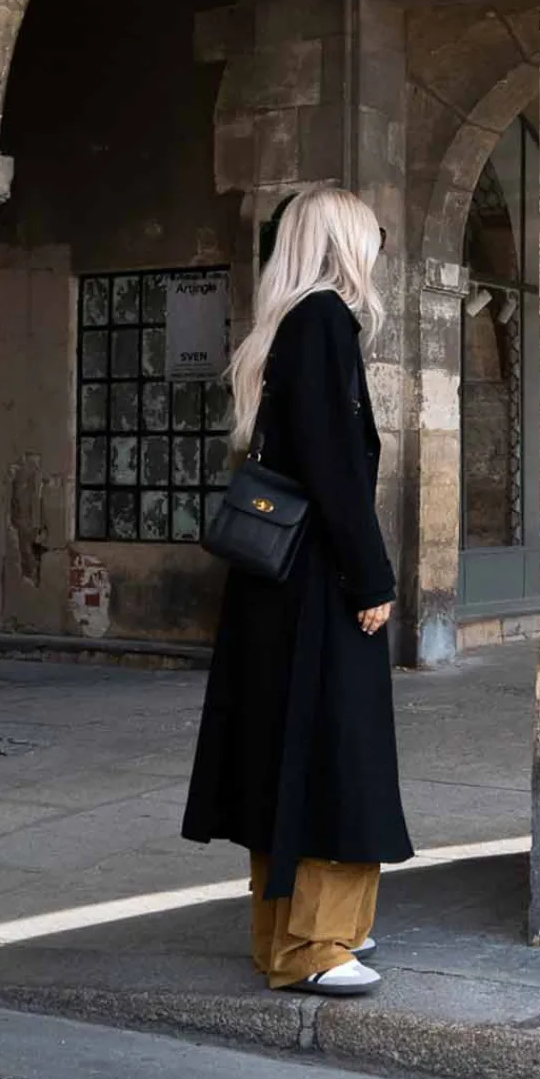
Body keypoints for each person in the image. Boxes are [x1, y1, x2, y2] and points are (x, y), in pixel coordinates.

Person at [182, 184, 413, 996]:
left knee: (292, 749)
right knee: (338, 754)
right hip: (318, 578)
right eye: (369, 232)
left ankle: (293, 936)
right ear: (343, 242)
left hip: (280, 581)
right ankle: (316, 943)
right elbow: (335, 468)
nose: (378, 244)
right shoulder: (323, 322)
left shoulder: (292, 324)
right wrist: (372, 576)